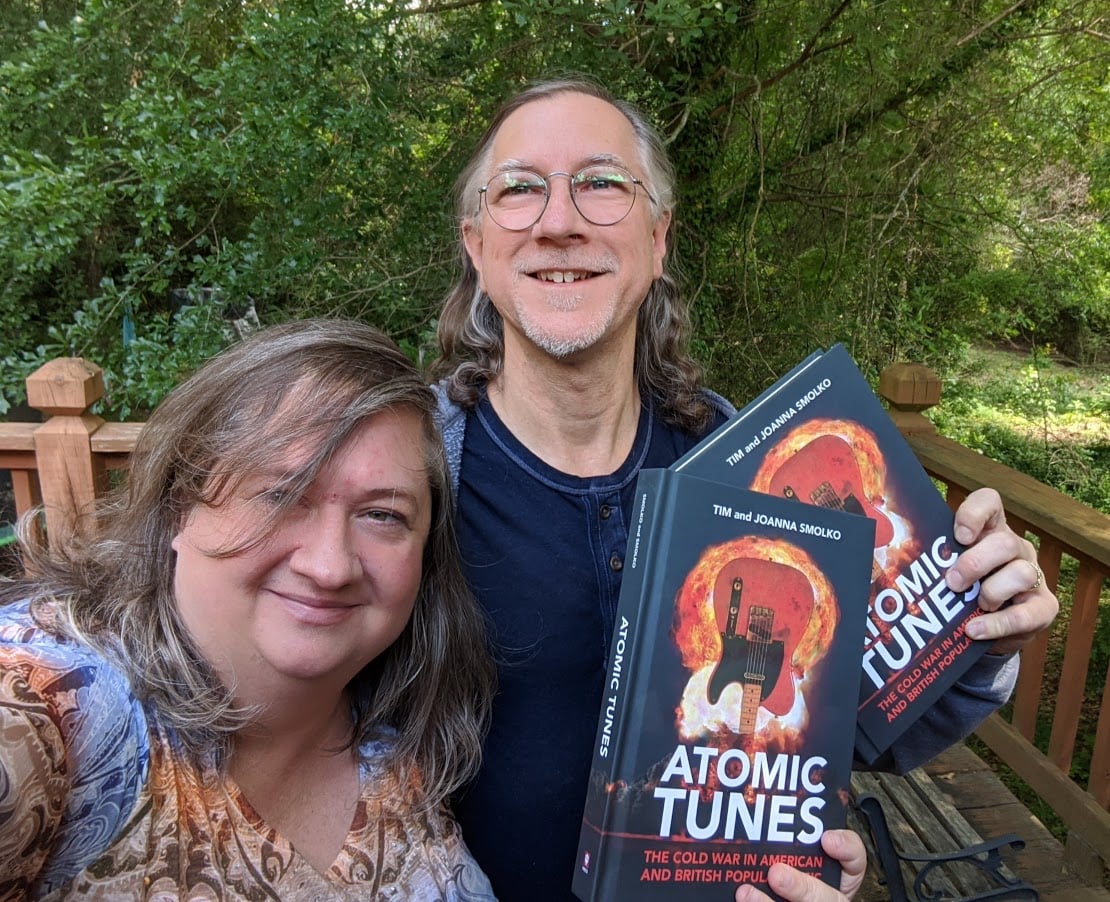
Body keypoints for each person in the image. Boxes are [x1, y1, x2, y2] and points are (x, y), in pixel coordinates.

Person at [432, 77, 1060, 901]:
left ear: (658, 240)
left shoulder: (753, 466)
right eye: (520, 189)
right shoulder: (403, 480)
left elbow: (878, 736)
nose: (559, 221)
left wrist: (980, 629)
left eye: (602, 184)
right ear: (477, 243)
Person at [0, 319, 497, 899]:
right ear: (181, 507)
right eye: (281, 495)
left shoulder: (406, 751)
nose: (330, 566)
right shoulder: (56, 706)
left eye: (383, 515)